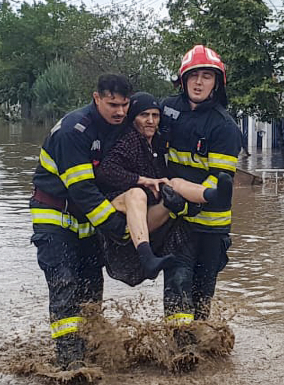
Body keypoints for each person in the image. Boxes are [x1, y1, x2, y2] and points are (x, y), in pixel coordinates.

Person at [30, 74, 133, 372]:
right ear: (96, 98)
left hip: (87, 222)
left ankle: (90, 349)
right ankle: (69, 363)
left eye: (125, 105)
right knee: (64, 283)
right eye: (113, 104)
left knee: (91, 287)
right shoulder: (73, 131)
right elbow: (83, 190)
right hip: (55, 216)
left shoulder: (118, 128)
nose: (120, 112)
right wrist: (117, 227)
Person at [96, 92, 232, 284]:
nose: (151, 121)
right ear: (133, 118)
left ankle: (213, 195)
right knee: (137, 194)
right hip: (121, 214)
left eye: (155, 115)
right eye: (144, 115)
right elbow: (105, 171)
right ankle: (147, 257)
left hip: (148, 215)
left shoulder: (159, 144)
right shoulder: (128, 141)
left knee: (174, 184)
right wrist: (140, 180)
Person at [160, 45, 241, 341]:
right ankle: (180, 353)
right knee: (177, 286)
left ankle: (197, 347)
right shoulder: (166, 110)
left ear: (216, 83)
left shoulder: (225, 127)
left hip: (211, 227)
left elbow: (218, 184)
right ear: (183, 80)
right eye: (193, 75)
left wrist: (185, 200)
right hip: (177, 222)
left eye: (206, 76)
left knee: (201, 297)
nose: (198, 82)